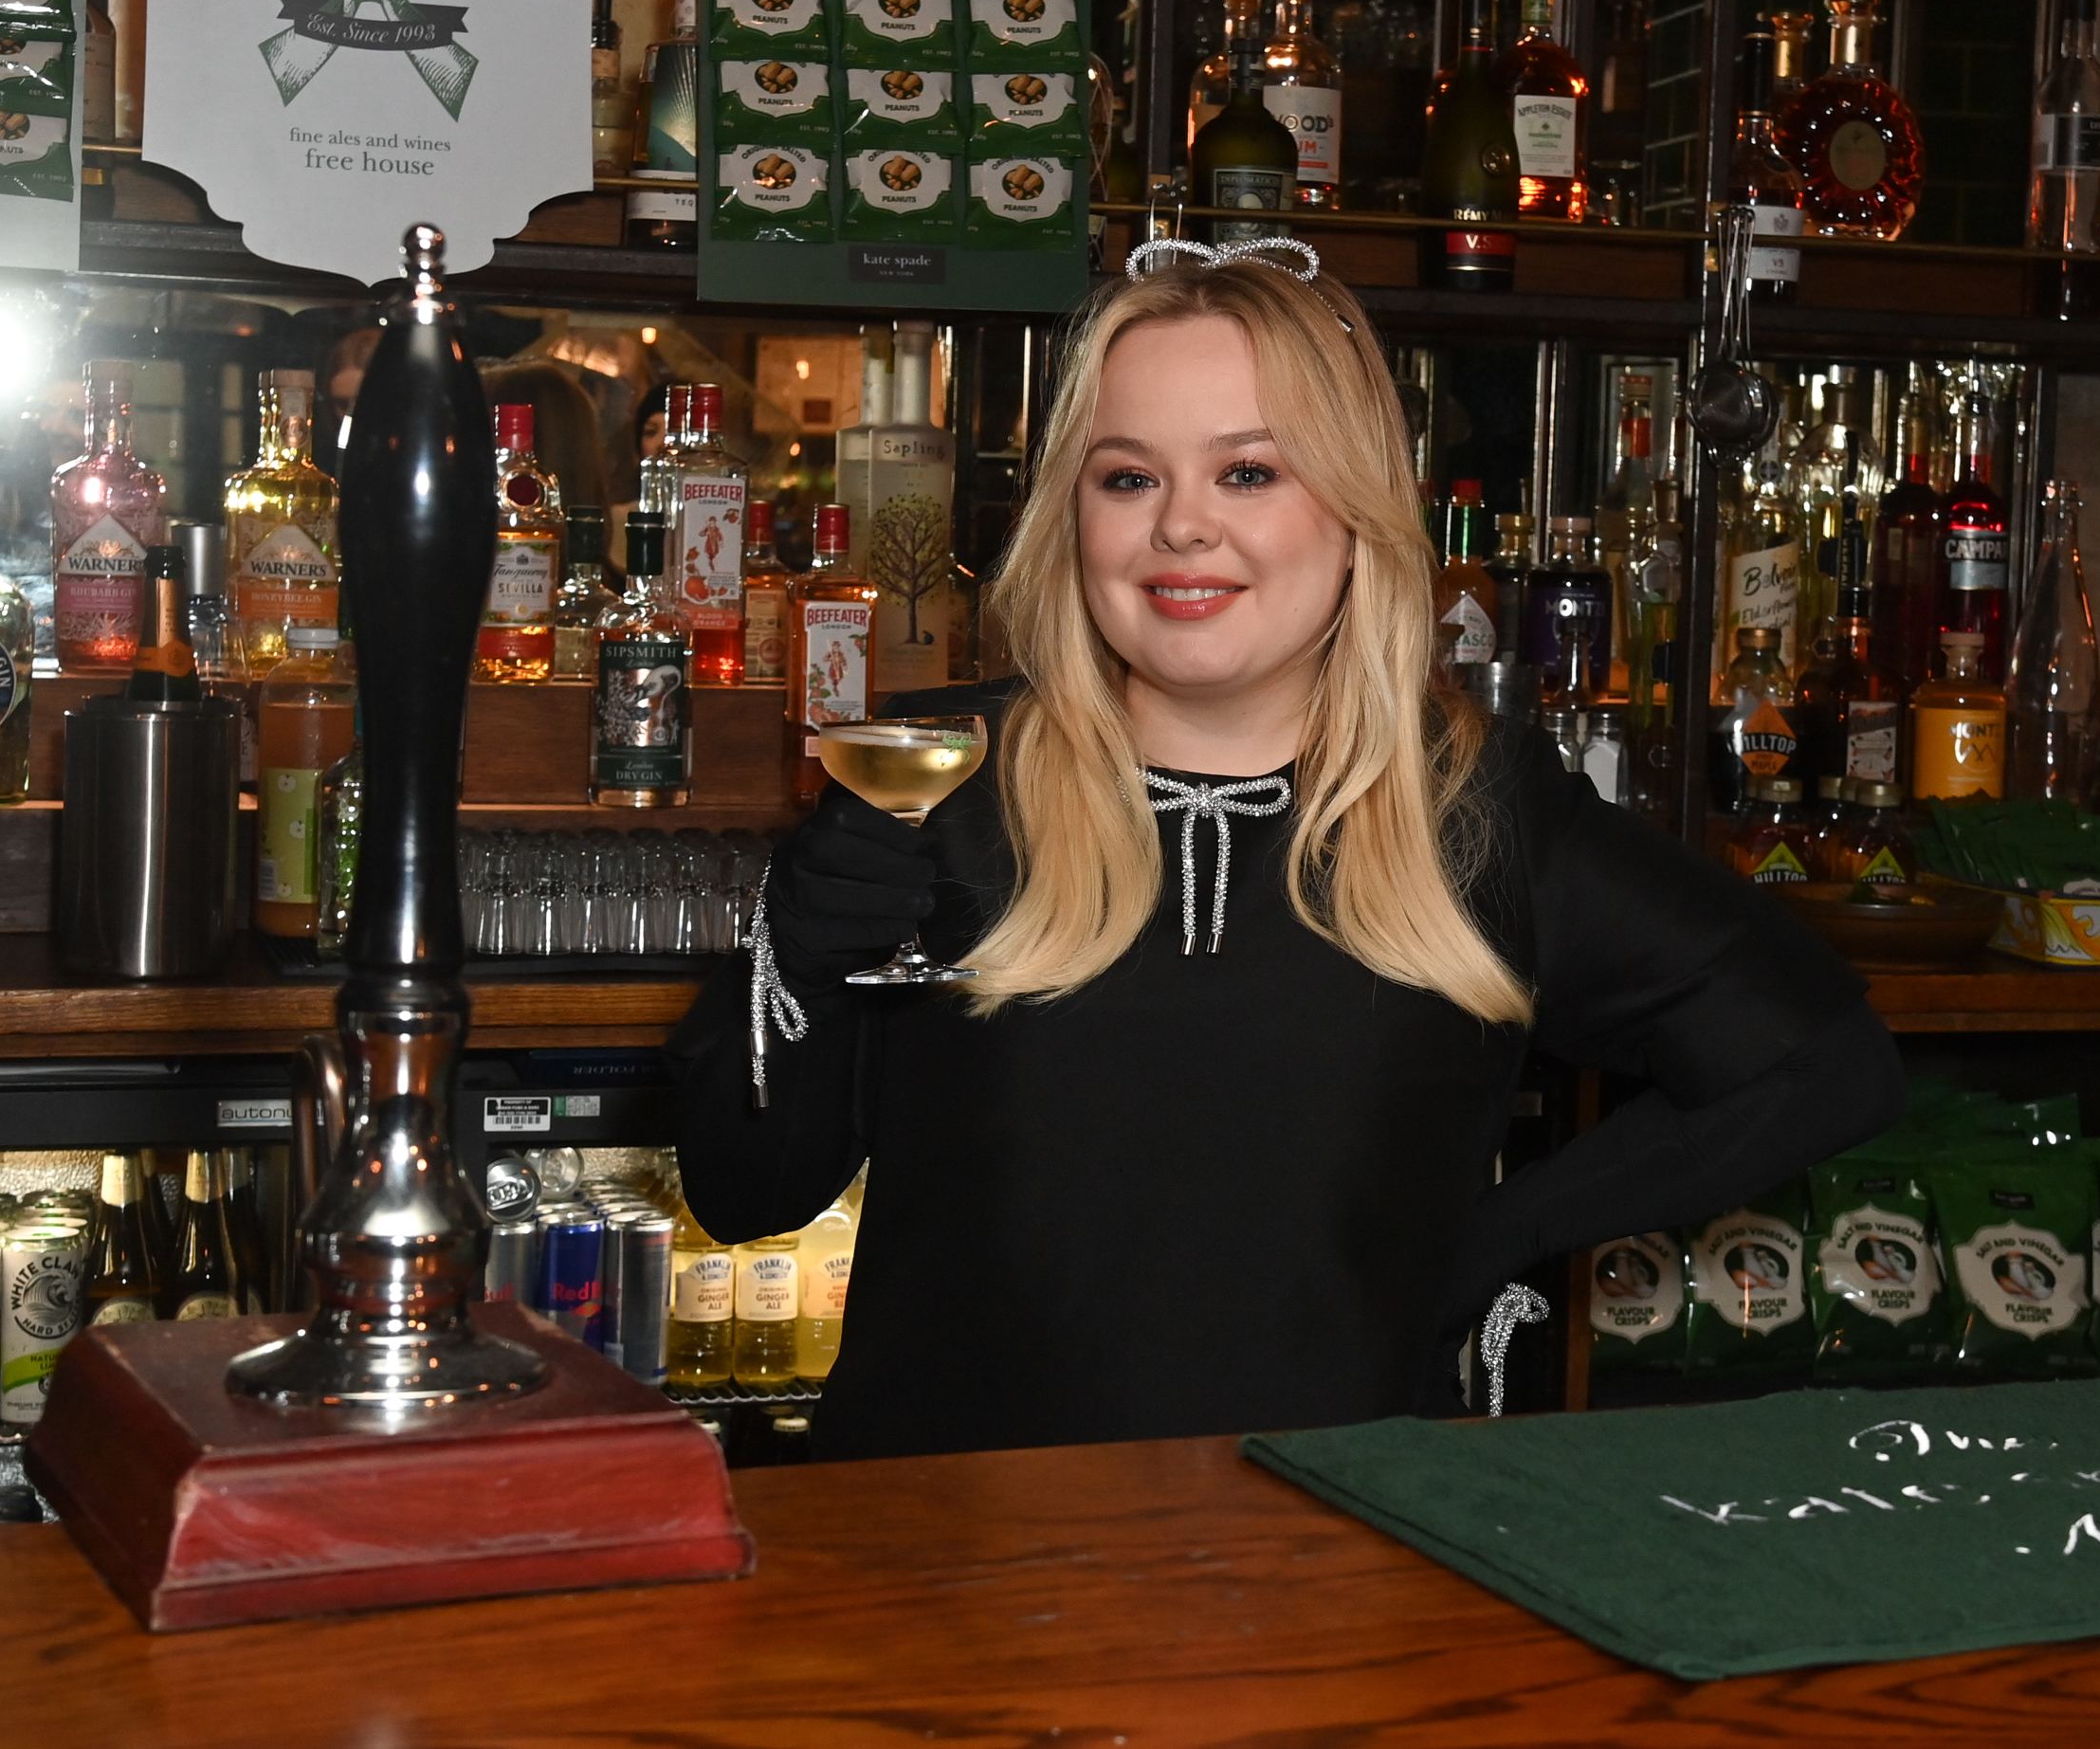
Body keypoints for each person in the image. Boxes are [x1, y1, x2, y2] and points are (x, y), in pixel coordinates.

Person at [668, 245, 1899, 1459]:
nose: (1182, 527)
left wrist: (1497, 1235)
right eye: (1128, 478)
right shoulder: (940, 778)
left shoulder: (1470, 810)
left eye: (1249, 472)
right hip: (947, 1578)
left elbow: (1821, 1063)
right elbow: (745, 1193)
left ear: (1358, 513)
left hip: (1337, 1572)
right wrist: (801, 956)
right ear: (1071, 517)